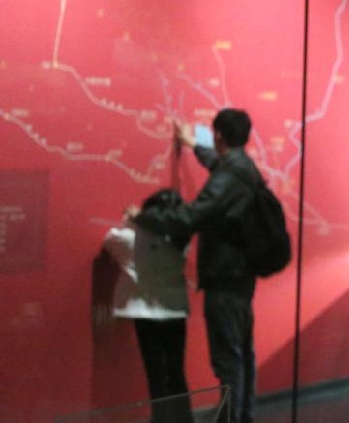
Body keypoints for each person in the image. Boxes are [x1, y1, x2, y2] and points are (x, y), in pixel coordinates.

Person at [135, 108, 261, 423]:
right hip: (241, 277)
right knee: (242, 353)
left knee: (228, 359)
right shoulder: (245, 170)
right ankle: (243, 415)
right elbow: (220, 168)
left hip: (224, 278)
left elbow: (190, 217)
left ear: (217, 135)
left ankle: (232, 419)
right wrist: (194, 146)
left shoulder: (229, 176)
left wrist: (144, 217)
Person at [103, 188, 193, 423]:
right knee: (176, 370)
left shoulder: (130, 238)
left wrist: (132, 222)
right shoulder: (181, 237)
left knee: (155, 373)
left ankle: (160, 419)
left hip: (145, 312)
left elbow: (109, 239)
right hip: (175, 309)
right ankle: (184, 418)